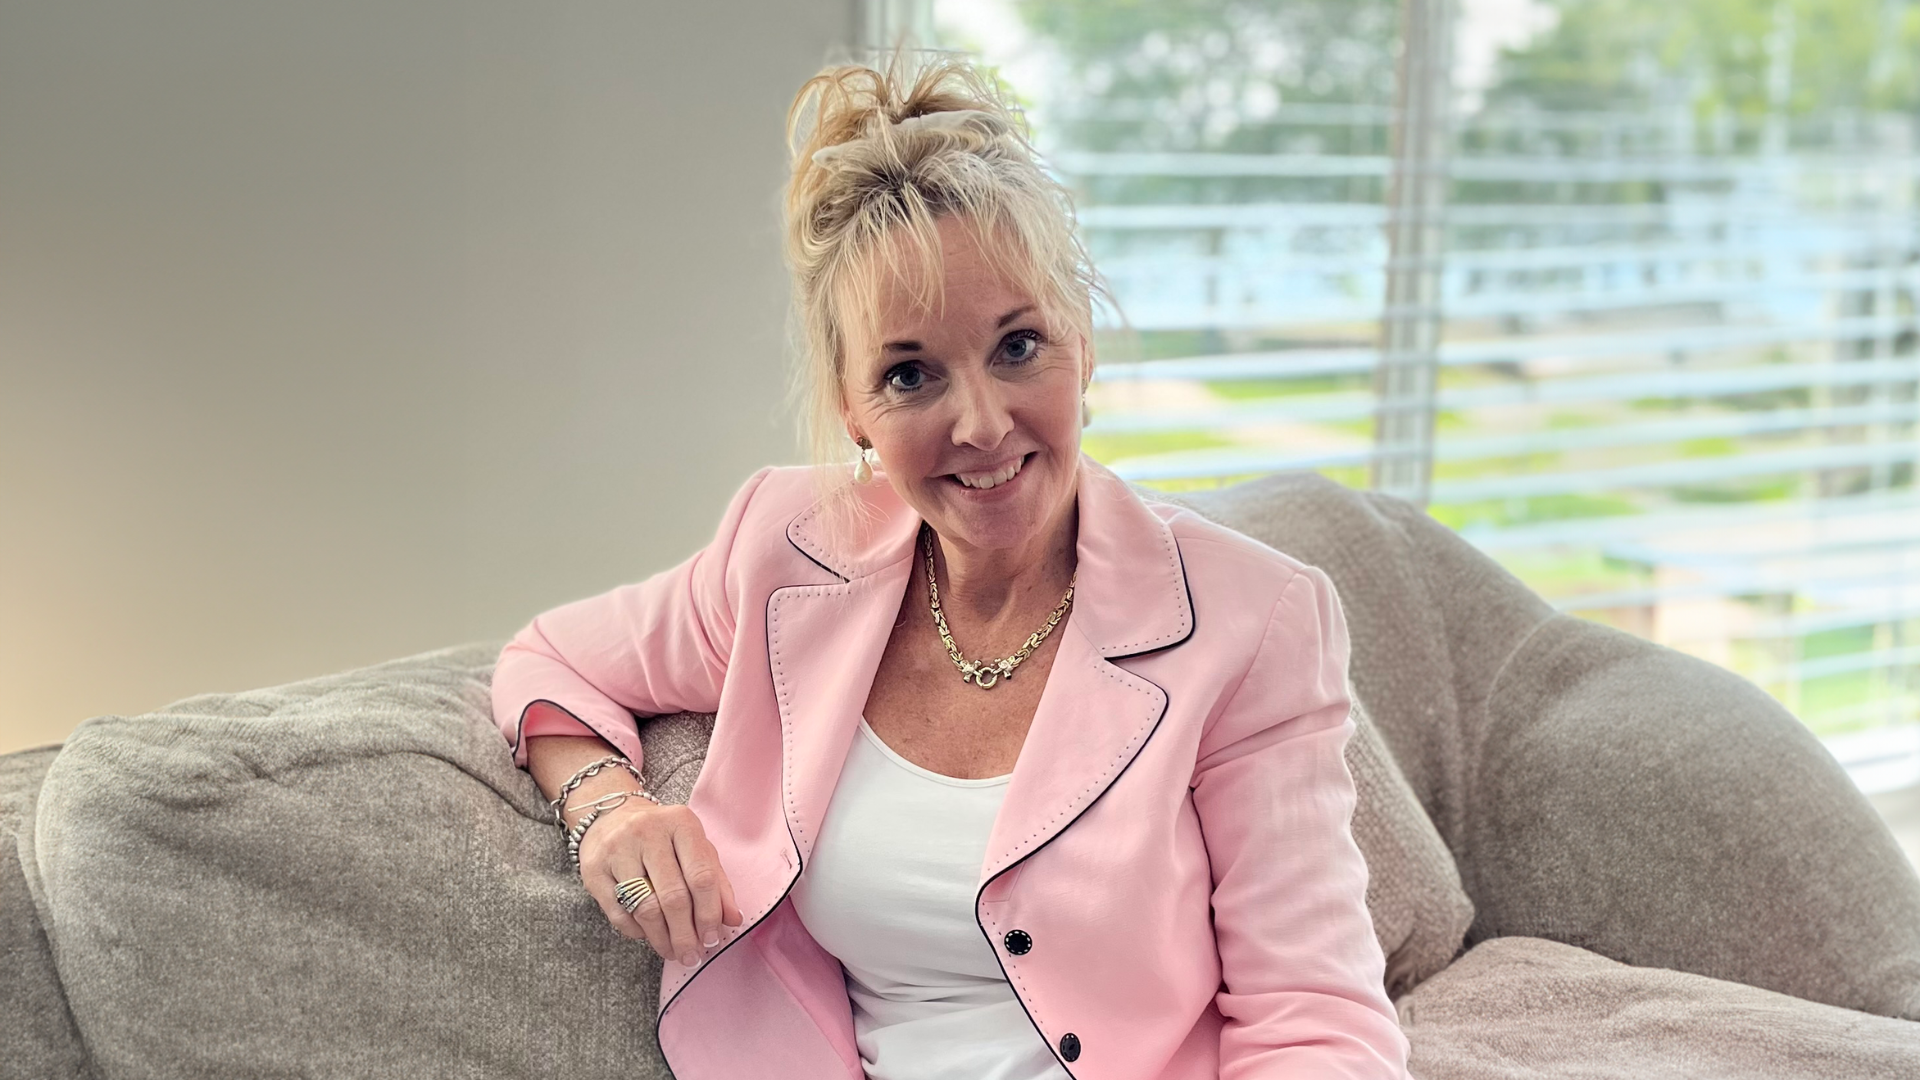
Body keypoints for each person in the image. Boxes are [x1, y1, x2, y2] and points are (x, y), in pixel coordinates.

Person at [490, 49, 1411, 1080]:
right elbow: (548, 660)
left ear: (1083, 344)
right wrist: (607, 807)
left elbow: (1314, 1018)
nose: (980, 424)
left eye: (1018, 347)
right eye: (910, 374)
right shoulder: (783, 552)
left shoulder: (1253, 619)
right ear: (852, 409)